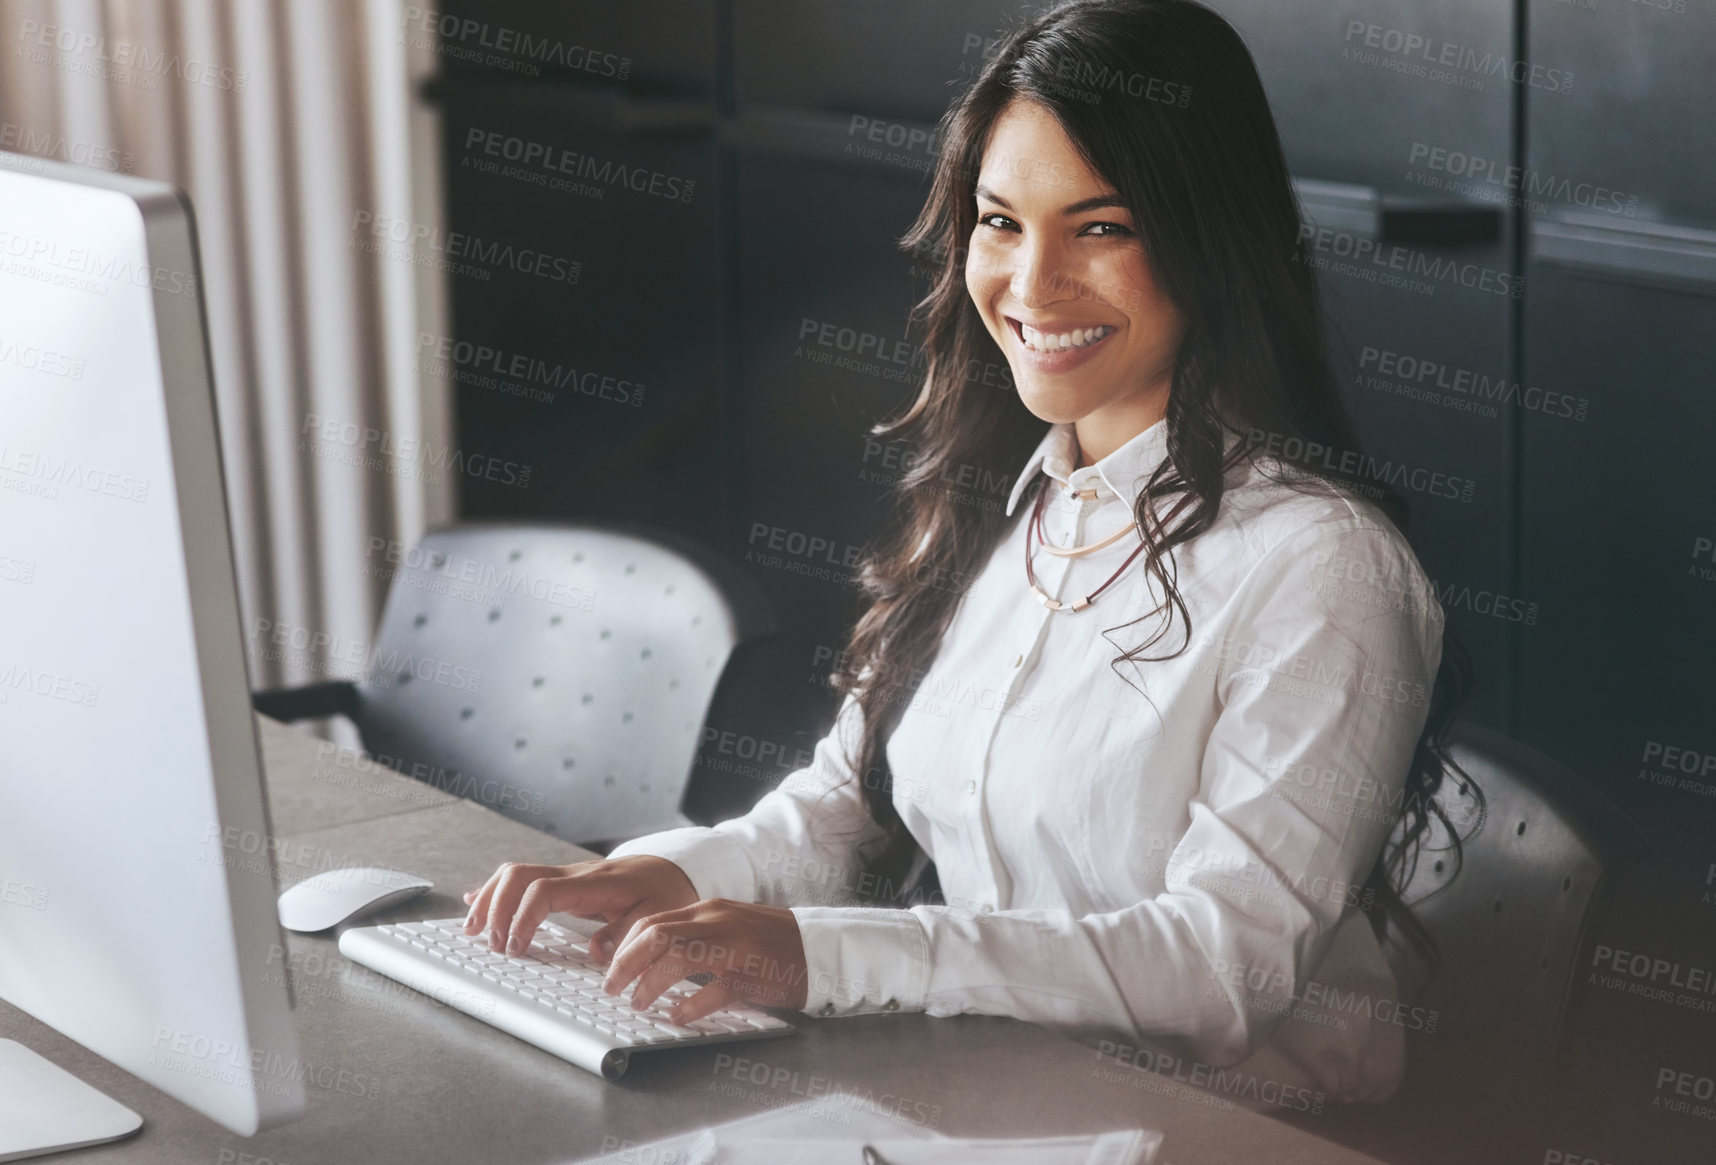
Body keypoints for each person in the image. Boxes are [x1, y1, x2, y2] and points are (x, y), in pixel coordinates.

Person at [462, 0, 1473, 1105]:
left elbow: (1220, 971)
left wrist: (822, 953)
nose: (1033, 285)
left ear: (1211, 242)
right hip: (1005, 1092)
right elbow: (845, 810)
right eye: (1001, 221)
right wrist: (661, 874)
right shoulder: (1002, 502)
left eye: (1101, 227)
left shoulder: (1325, 568)